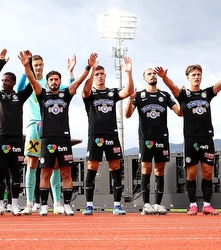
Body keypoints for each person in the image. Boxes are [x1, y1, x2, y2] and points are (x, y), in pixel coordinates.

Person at [159, 57, 221, 215]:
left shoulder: (207, 93)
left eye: (199, 74)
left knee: (207, 172)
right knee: (191, 173)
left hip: (207, 137)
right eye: (194, 74)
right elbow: (172, 87)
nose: (197, 77)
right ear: (188, 77)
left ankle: (206, 205)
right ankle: (192, 205)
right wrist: (164, 78)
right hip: (191, 139)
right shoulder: (183, 95)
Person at [19, 50, 92, 215]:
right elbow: (21, 86)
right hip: (34, 127)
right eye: (34, 65)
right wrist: (25, 66)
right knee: (33, 164)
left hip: (59, 132)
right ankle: (31, 203)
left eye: (40, 65)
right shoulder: (34, 85)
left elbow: (74, 86)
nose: (37, 67)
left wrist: (72, 71)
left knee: (59, 167)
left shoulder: (55, 86)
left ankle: (58, 203)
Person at [124, 67, 182, 215]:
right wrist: (130, 99)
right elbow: (128, 114)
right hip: (146, 138)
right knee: (146, 170)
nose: (152, 75)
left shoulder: (164, 95)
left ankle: (158, 204)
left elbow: (180, 112)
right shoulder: (139, 95)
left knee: (159, 170)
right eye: (149, 74)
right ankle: (146, 204)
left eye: (154, 73)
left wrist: (182, 98)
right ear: (144, 78)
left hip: (162, 137)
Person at [82, 57, 134, 215]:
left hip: (111, 134)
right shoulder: (90, 94)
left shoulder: (112, 92)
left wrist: (129, 72)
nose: (99, 76)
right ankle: (89, 205)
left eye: (102, 73)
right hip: (95, 135)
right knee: (92, 168)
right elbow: (85, 90)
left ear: (105, 76)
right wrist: (91, 70)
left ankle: (117, 205)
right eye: (97, 74)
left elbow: (129, 91)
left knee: (115, 168)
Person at [0, 50, 32, 215]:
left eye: (7, 80)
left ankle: (14, 205)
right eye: (3, 80)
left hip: (16, 139)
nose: (3, 82)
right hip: (1, 137)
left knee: (15, 173)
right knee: (1, 171)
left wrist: (29, 64)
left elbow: (31, 85)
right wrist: (0, 63)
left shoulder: (19, 97)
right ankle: (0, 205)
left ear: (13, 82)